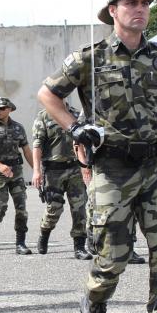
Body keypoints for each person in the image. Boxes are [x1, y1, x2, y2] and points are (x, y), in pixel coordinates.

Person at [38, 0, 157, 313]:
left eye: (144, 3)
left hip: (156, 165)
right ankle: (93, 302)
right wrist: (75, 127)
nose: (139, 9)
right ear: (113, 11)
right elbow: (47, 94)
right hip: (112, 168)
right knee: (113, 256)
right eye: (130, 3)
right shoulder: (90, 58)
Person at [31, 104, 92, 259]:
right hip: (53, 171)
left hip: (74, 168)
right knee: (54, 209)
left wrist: (85, 166)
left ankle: (79, 247)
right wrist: (36, 171)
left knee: (79, 208)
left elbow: (82, 142)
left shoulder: (75, 114)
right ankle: (44, 234)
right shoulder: (44, 116)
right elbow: (37, 145)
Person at [0, 97, 34, 254]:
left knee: (21, 207)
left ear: (10, 109)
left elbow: (27, 151)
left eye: (2, 108)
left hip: (16, 171)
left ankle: (20, 243)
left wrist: (37, 171)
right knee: (0, 206)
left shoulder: (18, 128)